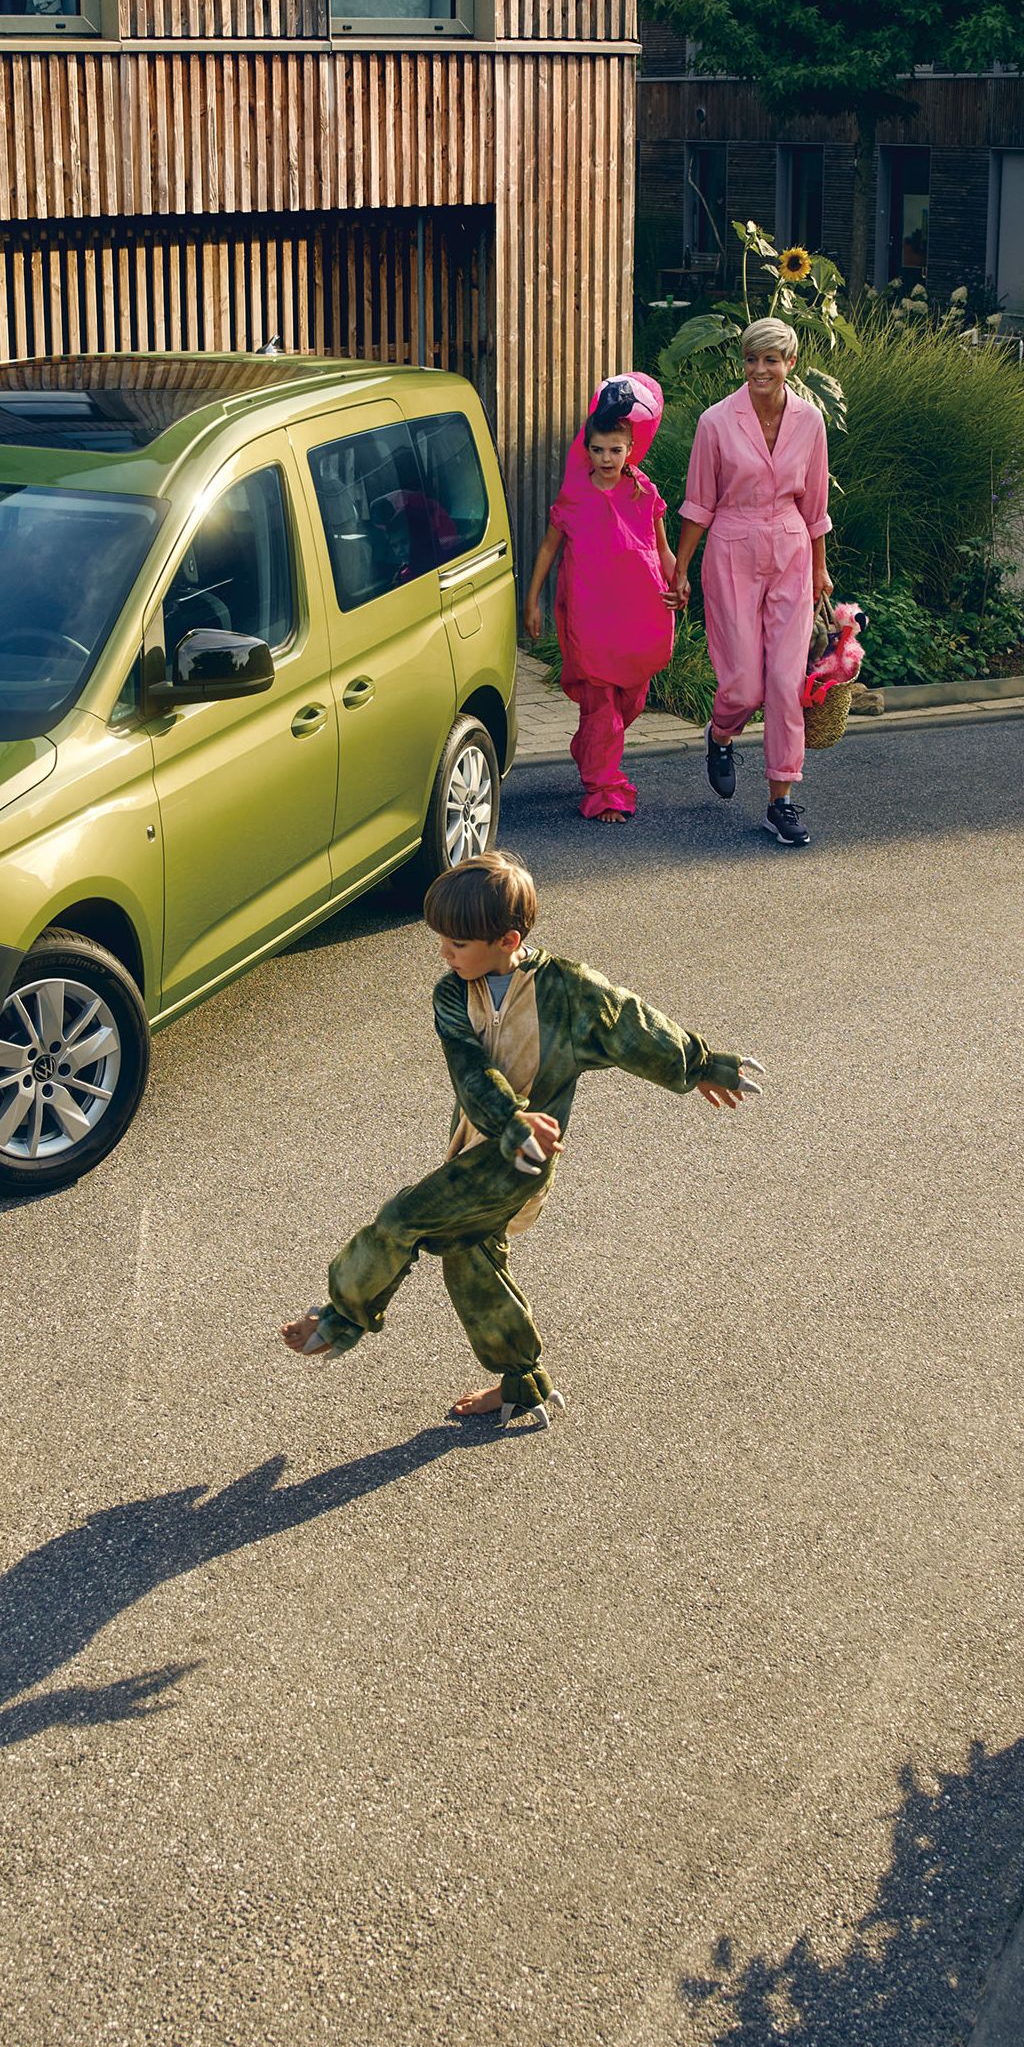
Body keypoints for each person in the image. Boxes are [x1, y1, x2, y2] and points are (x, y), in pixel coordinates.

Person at [279, 850, 760, 1425]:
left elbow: (636, 1025)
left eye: (457, 944)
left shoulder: (571, 992)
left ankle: (340, 1318)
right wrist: (506, 1119)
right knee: (469, 1259)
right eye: (442, 941)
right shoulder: (453, 993)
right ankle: (523, 1382)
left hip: (525, 1159)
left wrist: (702, 1064)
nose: (444, 954)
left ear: (507, 940)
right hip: (478, 1142)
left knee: (402, 1219)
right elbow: (468, 1068)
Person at [672, 316, 833, 850]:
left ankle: (780, 802)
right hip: (731, 549)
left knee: (786, 685)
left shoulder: (811, 421)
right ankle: (720, 735)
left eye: (771, 359)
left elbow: (815, 505)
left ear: (790, 363)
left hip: (790, 547)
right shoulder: (716, 422)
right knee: (743, 684)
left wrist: (820, 568)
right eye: (751, 359)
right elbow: (698, 503)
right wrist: (680, 568)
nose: (760, 369)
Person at [523, 375, 677, 823]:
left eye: (615, 449)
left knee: (631, 699)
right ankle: (604, 789)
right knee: (601, 703)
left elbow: (661, 548)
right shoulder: (574, 494)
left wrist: (678, 582)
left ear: (630, 447)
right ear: (585, 449)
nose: (606, 458)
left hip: (640, 611)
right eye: (597, 449)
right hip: (590, 615)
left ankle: (590, 745)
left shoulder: (644, 491)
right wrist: (531, 601)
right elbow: (550, 548)